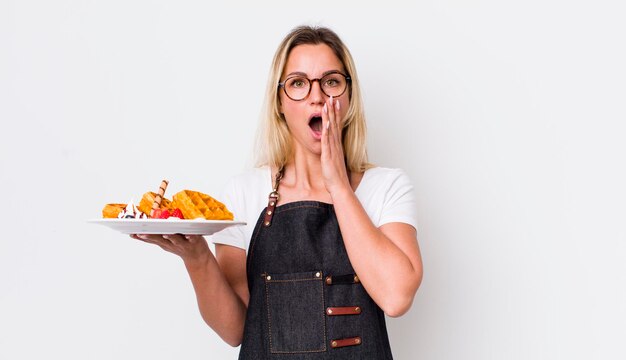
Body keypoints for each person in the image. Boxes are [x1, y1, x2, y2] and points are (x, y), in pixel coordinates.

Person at [132, 25, 423, 359]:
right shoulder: (245, 192)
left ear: (348, 98)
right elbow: (234, 330)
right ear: (280, 103)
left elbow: (397, 297)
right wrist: (197, 257)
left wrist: (339, 186)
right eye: (298, 83)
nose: (317, 96)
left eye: (331, 81)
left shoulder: (386, 187)